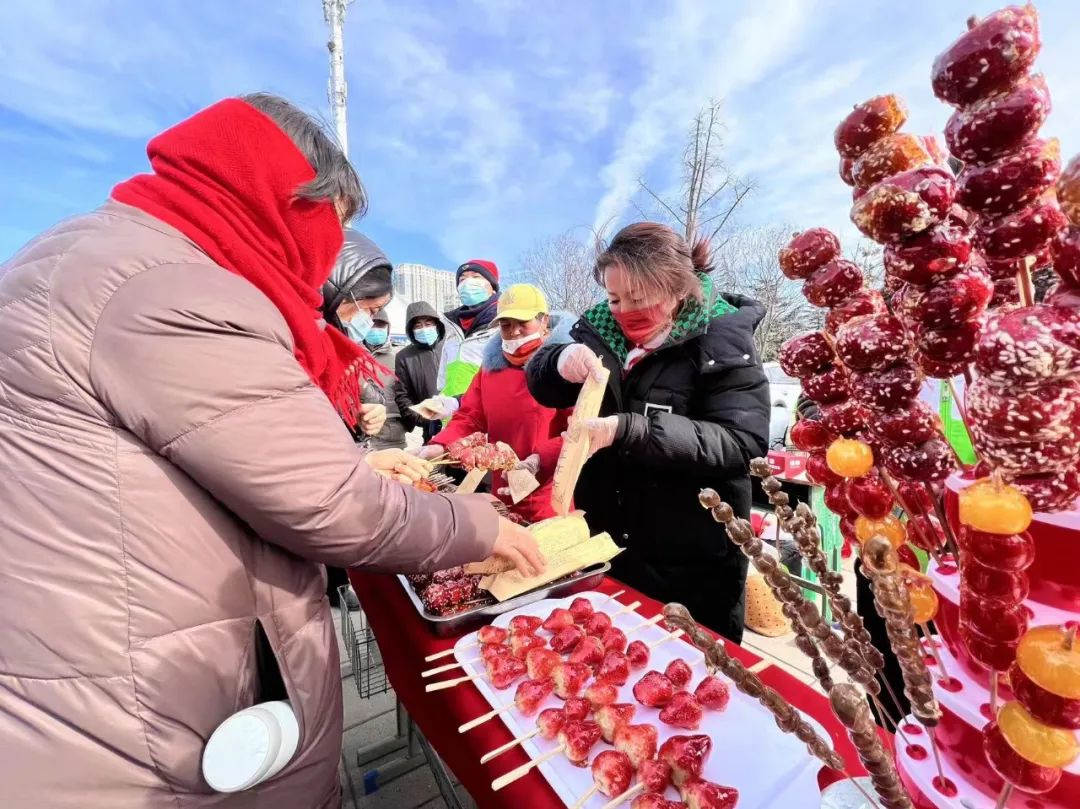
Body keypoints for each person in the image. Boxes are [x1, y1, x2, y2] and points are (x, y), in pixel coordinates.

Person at [0, 93, 542, 809]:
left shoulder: (87, 255)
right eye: (331, 225)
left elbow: (209, 456)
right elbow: (332, 508)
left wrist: (353, 463)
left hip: (104, 672)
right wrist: (482, 528)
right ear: (282, 198)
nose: (326, 253)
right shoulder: (169, 290)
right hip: (148, 719)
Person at [526, 222, 770, 643]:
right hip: (609, 545)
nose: (623, 311)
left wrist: (631, 430)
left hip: (690, 562)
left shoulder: (722, 341)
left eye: (638, 298)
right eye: (614, 297)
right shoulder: (601, 332)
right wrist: (558, 360)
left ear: (678, 288)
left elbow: (742, 444)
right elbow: (541, 380)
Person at [418, 285, 573, 523]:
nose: (514, 331)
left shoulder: (562, 368)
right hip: (502, 493)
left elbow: (577, 431)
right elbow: (470, 417)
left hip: (549, 493)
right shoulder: (490, 370)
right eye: (506, 324)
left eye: (523, 321)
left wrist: (539, 460)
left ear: (544, 321)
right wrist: (439, 446)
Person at [320, 229, 396, 442]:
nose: (370, 322)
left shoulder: (349, 348)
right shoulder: (296, 343)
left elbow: (370, 399)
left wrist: (367, 414)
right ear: (342, 292)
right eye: (371, 310)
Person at [428, 259, 502, 420]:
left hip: (487, 420)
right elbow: (443, 382)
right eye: (462, 280)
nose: (468, 283)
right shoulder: (452, 329)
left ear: (493, 287)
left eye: (476, 277)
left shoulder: (504, 327)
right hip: (452, 420)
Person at [394, 301, 446, 443]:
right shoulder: (404, 357)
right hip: (433, 431)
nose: (424, 329)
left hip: (463, 423)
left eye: (428, 323)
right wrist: (425, 420)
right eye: (418, 325)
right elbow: (402, 396)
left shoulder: (451, 346)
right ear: (411, 330)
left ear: (437, 325)